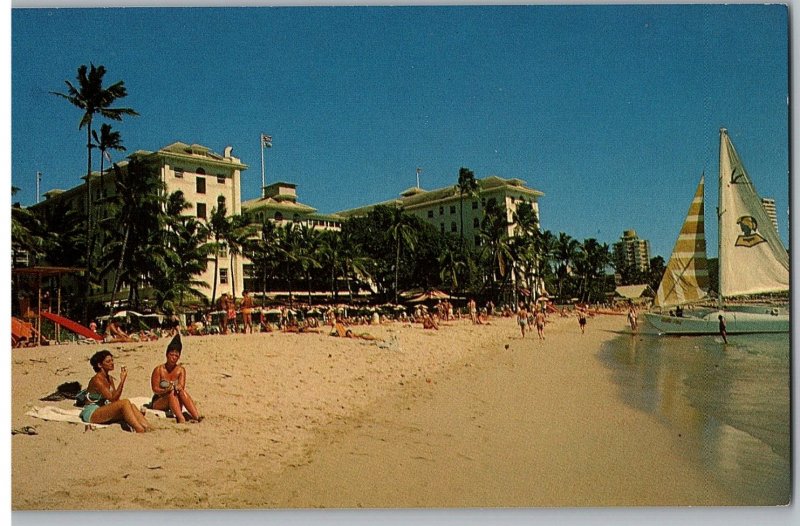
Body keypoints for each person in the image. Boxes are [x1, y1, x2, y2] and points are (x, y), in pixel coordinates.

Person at [78, 350, 151, 432]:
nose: (112, 363)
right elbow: (112, 398)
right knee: (125, 402)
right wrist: (122, 381)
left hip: (102, 407)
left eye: (112, 360)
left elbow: (115, 399)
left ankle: (147, 427)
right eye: (108, 361)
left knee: (132, 405)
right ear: (99, 365)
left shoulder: (109, 378)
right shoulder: (97, 380)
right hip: (92, 411)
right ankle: (139, 429)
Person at [150, 334, 202, 423]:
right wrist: (166, 390)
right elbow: (155, 389)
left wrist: (177, 387)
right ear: (167, 354)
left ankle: (196, 416)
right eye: (171, 354)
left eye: (176, 356)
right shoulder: (159, 370)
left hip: (175, 399)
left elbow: (181, 386)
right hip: (159, 400)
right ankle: (180, 418)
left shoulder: (180, 370)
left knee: (180, 391)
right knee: (171, 393)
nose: (173, 358)